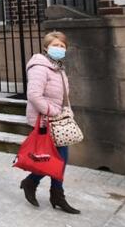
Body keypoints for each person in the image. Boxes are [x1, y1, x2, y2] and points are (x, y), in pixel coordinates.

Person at [19, 30, 81, 214]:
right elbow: (34, 95)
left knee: (59, 158)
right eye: (55, 45)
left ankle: (44, 188)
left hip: (58, 119)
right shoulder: (40, 66)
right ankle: (46, 189)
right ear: (46, 47)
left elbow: (62, 96)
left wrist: (66, 111)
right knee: (57, 158)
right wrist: (53, 111)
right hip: (45, 120)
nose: (59, 48)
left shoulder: (58, 67)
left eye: (62, 46)